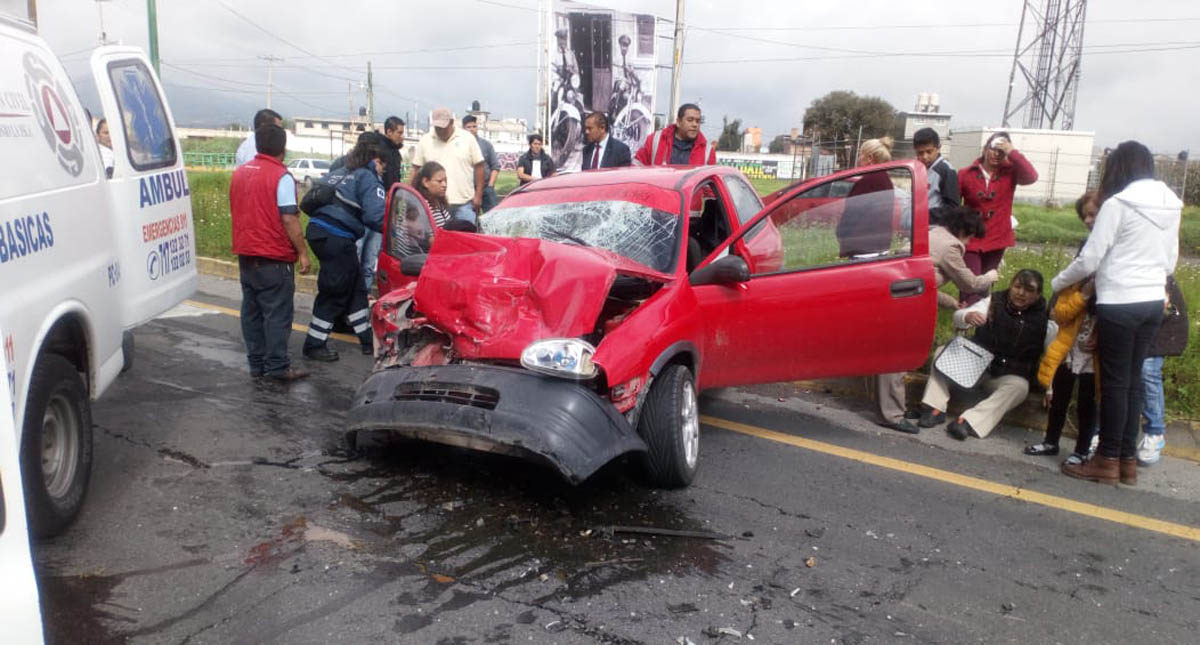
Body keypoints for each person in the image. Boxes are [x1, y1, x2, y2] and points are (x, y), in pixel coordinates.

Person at [1052, 141, 1181, 485]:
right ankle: (1126, 462)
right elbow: (1170, 261)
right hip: (1153, 302)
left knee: (1113, 384)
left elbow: (1090, 259)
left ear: (1118, 168)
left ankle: (1106, 461)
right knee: (1133, 382)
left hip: (1120, 303)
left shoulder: (1117, 204)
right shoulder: (1172, 204)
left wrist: (1057, 283)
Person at [878, 206, 997, 433]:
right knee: (897, 359)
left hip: (898, 294)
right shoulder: (951, 246)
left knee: (893, 357)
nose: (970, 242)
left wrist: (950, 302)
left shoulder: (931, 234)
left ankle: (893, 409)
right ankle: (891, 415)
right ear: (964, 230)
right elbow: (970, 283)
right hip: (906, 301)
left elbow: (924, 281)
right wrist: (990, 276)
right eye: (971, 236)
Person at [918, 270, 1054, 440]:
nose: (1021, 293)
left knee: (1020, 388)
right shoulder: (994, 301)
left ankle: (968, 422)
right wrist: (967, 316)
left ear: (1038, 294)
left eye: (1028, 289)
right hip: (975, 366)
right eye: (1017, 286)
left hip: (1006, 375)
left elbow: (1053, 356)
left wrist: (1051, 389)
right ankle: (934, 407)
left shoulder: (1046, 320)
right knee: (942, 352)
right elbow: (958, 316)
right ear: (1011, 285)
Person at [228, 124, 311, 382]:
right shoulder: (281, 176)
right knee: (277, 313)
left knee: (251, 311)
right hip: (273, 256)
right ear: (283, 149)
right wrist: (303, 252)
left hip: (246, 253)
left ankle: (256, 363)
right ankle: (277, 365)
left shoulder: (240, 173)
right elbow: (289, 218)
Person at [1026, 192, 1101, 464]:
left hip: (1095, 342)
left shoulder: (1118, 250)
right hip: (1071, 339)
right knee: (1060, 393)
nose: (1089, 220)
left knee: (1087, 401)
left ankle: (1082, 450)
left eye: (1094, 214)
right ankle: (1051, 442)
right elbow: (1060, 311)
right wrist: (1084, 293)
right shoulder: (1083, 258)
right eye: (1085, 216)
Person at [303, 137, 388, 361]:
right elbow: (375, 216)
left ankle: (367, 339)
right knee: (335, 291)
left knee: (355, 286)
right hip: (337, 237)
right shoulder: (369, 178)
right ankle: (314, 343)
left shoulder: (340, 171)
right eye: (382, 165)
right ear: (376, 161)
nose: (382, 170)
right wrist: (397, 232)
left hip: (318, 231)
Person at [958, 131, 1038, 303]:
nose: (996, 154)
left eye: (1002, 151)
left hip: (997, 238)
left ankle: (981, 323)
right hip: (971, 237)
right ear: (985, 149)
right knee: (970, 282)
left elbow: (1032, 176)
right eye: (994, 149)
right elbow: (954, 205)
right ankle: (965, 320)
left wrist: (1013, 152)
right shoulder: (966, 174)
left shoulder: (1011, 173)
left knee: (987, 283)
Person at [1137, 275, 1188, 465]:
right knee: (1114, 373)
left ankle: (1155, 432)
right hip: (1121, 304)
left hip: (1156, 317)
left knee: (1147, 370)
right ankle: (1102, 431)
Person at [412, 107, 485, 223]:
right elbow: (415, 170)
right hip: (434, 207)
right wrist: (412, 198)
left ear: (451, 122)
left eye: (443, 128)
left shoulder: (468, 138)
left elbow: (480, 166)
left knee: (464, 239)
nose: (440, 131)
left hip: (463, 205)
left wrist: (478, 195)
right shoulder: (425, 141)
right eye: (438, 127)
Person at [836, 137, 895, 258]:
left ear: (870, 158)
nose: (858, 159)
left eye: (860, 155)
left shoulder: (867, 182)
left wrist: (842, 234)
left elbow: (852, 215)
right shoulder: (885, 180)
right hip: (880, 248)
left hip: (864, 252)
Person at [634, 103, 718, 166]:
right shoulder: (655, 140)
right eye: (690, 120)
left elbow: (710, 187)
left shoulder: (707, 151)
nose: (695, 124)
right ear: (678, 122)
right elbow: (636, 168)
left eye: (697, 121)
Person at [912, 127, 960, 226]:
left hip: (935, 229)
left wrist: (925, 215)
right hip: (918, 226)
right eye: (920, 153)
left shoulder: (946, 171)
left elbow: (953, 208)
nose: (925, 157)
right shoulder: (919, 168)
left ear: (938, 148)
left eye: (929, 151)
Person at [462, 115, 501, 211]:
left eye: (474, 126)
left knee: (492, 217)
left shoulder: (486, 145)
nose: (472, 129)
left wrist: (490, 185)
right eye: (469, 127)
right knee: (469, 220)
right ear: (463, 128)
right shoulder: (459, 146)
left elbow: (495, 167)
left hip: (486, 188)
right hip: (467, 190)